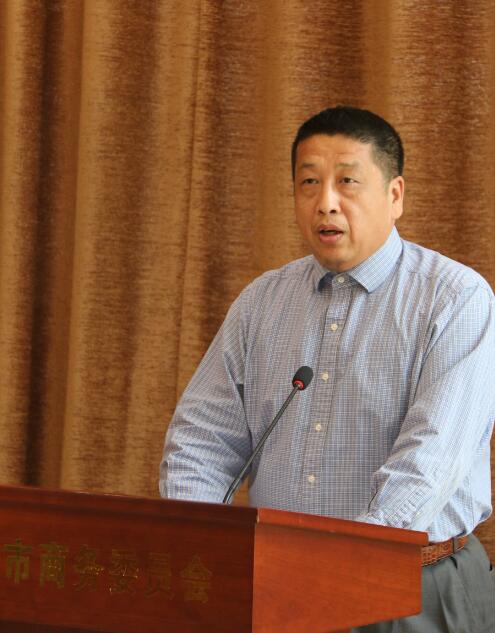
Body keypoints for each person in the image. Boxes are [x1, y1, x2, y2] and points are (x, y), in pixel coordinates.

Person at [160, 106, 495, 632]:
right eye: (309, 183)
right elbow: (202, 440)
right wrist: (204, 547)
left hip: (414, 587)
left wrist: (339, 566)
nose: (326, 203)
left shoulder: (455, 299)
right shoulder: (262, 302)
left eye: (347, 182)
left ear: (395, 195)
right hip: (275, 585)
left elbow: (430, 460)